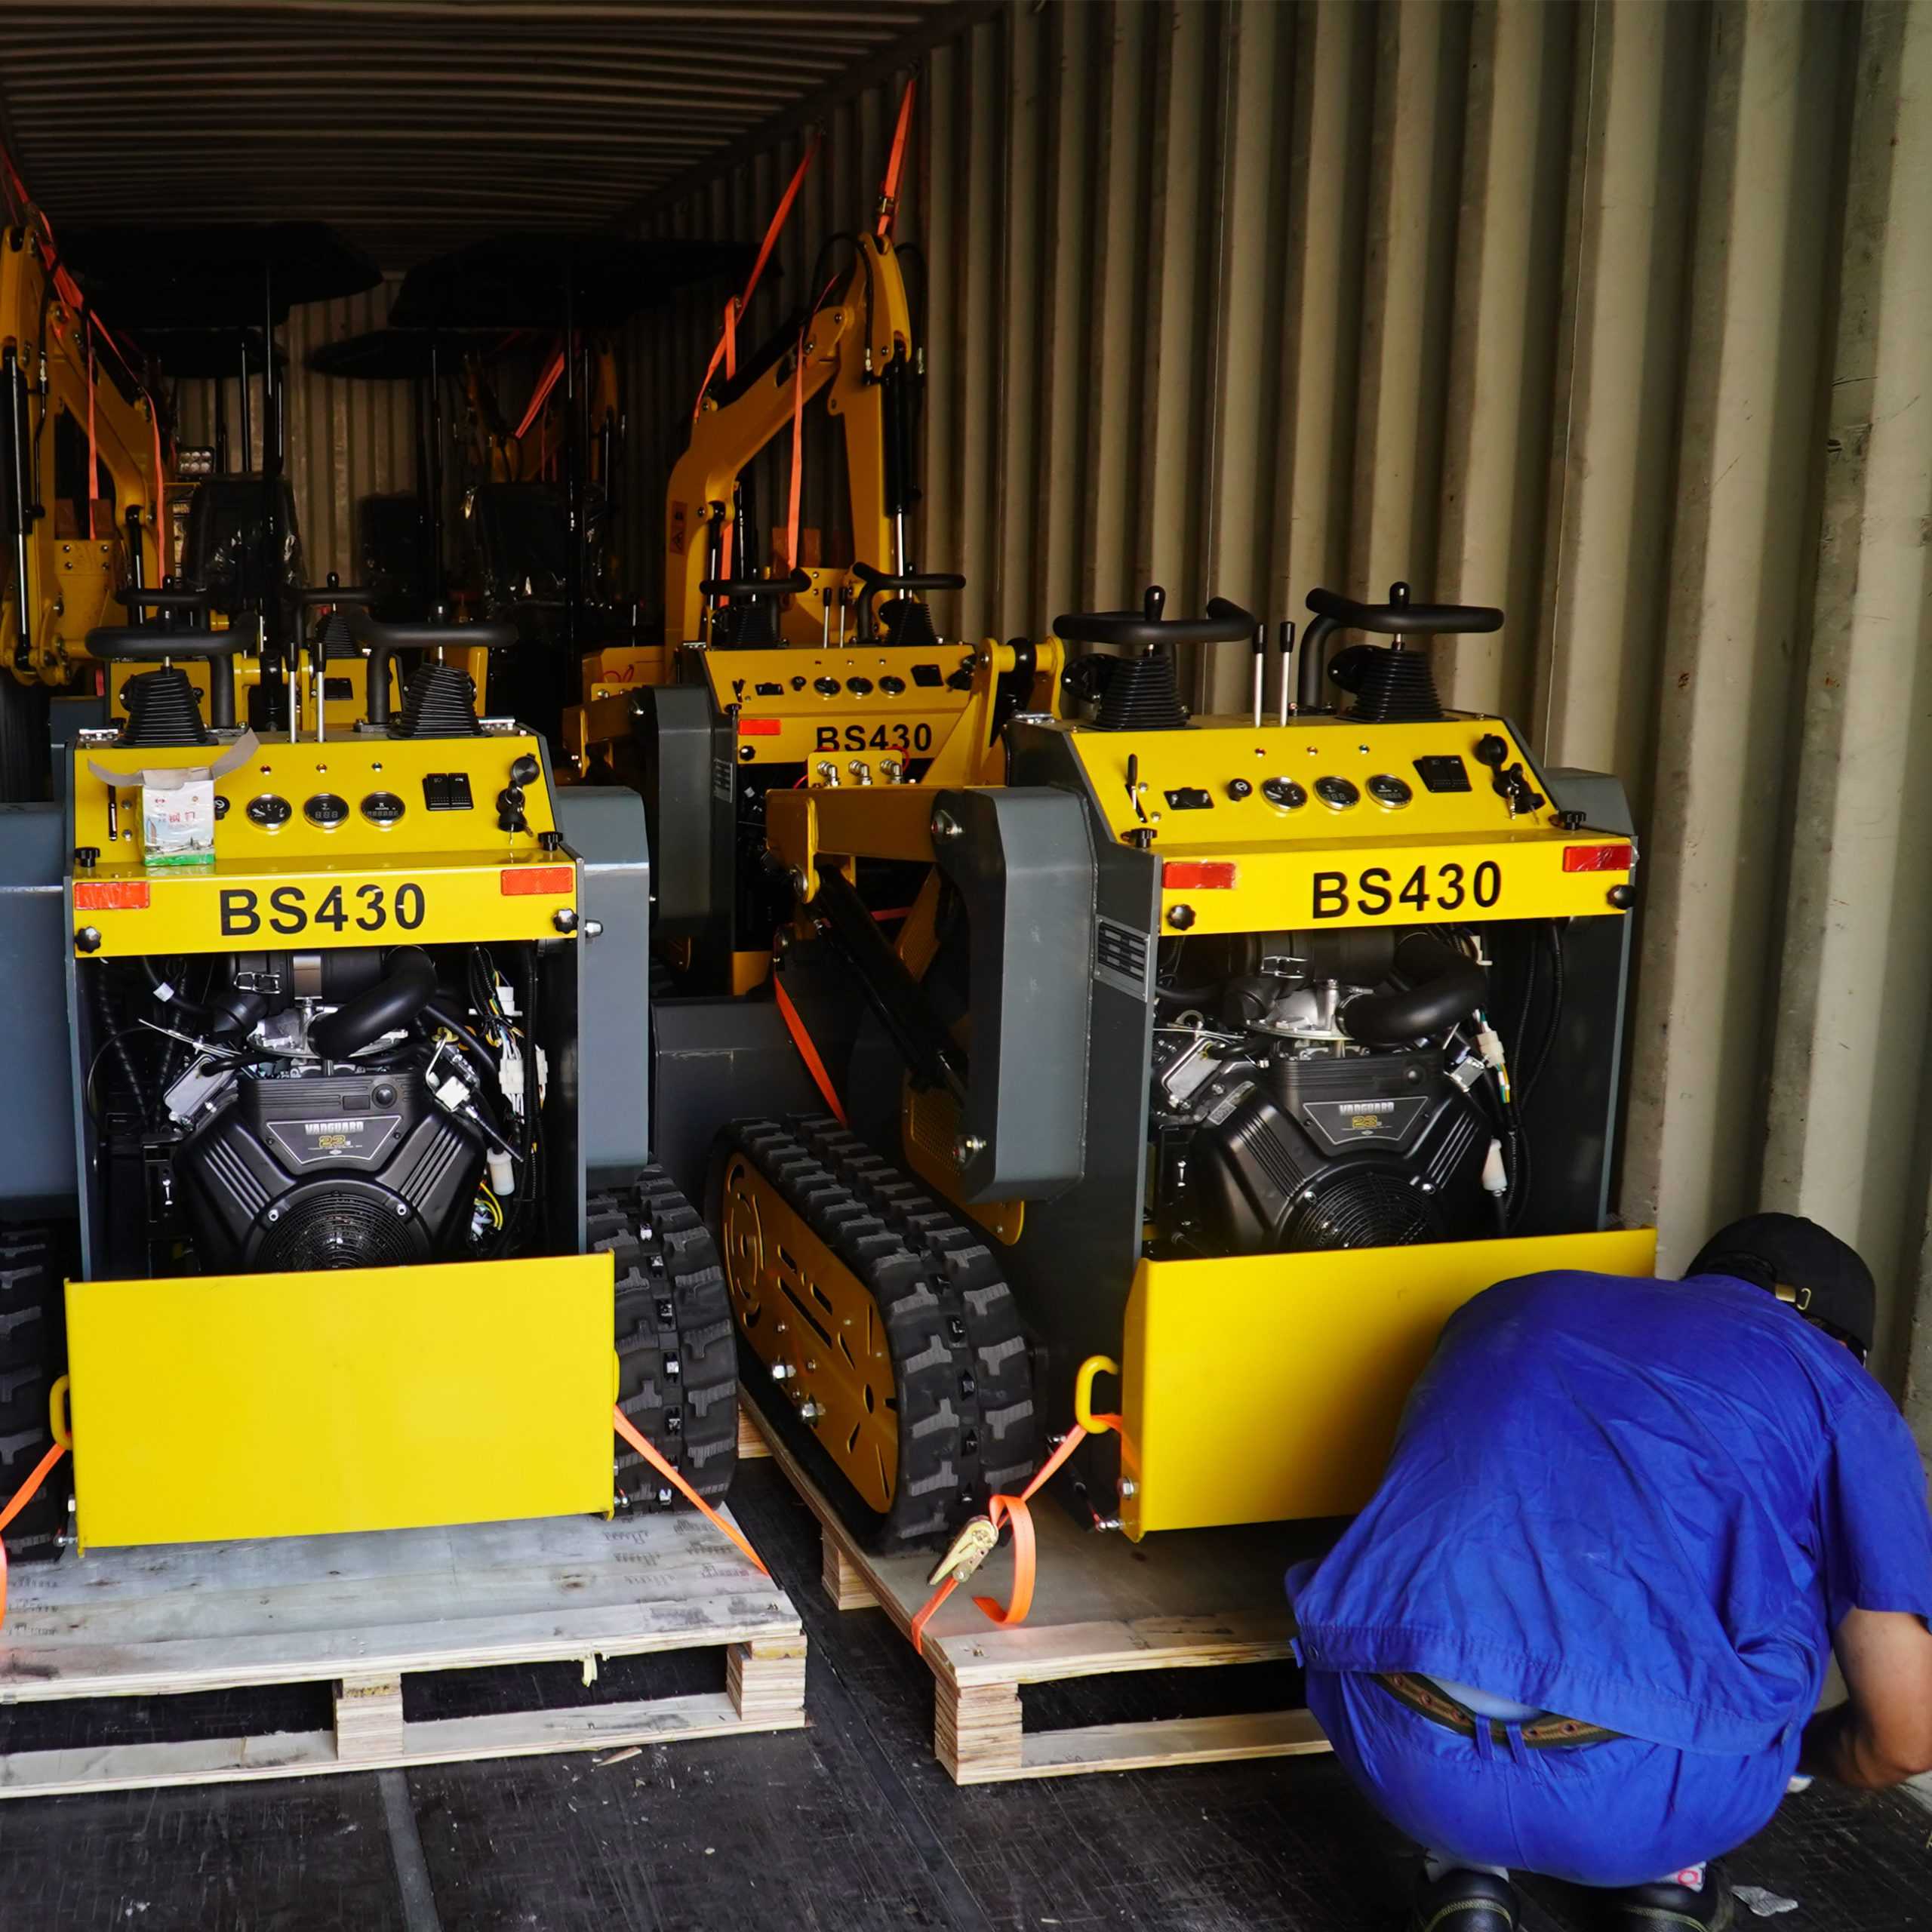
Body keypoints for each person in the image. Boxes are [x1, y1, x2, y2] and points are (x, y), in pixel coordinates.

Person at [1287, 1214, 1932, 1932]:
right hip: (1652, 1801)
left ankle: (1462, 1874)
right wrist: (1790, 1758)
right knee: (1791, 1563)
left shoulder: (1511, 1302)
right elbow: (1906, 1737)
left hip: (1395, 1749)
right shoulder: (1839, 1388)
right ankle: (1669, 1880)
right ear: (1844, 1346)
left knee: (1476, 1535)